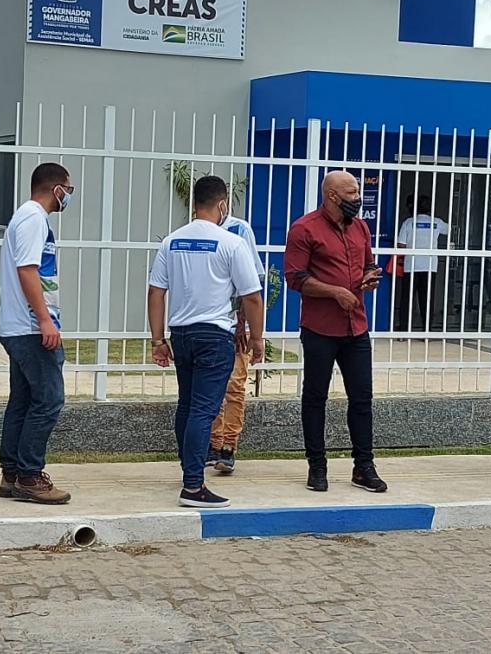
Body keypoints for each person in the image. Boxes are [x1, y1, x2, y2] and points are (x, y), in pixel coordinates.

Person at [148, 175, 264, 508]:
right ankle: (194, 486)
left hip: (181, 334)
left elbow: (156, 292)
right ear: (223, 204)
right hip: (214, 335)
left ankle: (190, 470)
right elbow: (251, 297)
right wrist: (256, 338)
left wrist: (158, 340)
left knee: (187, 405)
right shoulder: (230, 242)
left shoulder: (172, 241)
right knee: (203, 409)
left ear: (194, 203)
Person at [284, 170, 387, 494]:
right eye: (352, 193)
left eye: (357, 192)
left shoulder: (361, 227)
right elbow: (295, 277)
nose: (358, 198)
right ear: (331, 196)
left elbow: (368, 263)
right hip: (320, 328)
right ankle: (317, 466)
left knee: (362, 398)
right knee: (315, 398)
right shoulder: (304, 228)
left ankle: (364, 466)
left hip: (356, 326)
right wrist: (334, 292)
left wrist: (370, 277)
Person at [0, 162, 74, 504]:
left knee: (24, 401)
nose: (68, 197)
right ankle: (29, 475)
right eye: (68, 191)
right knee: (49, 400)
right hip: (30, 327)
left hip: (21, 326)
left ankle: (12, 474)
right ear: (56, 188)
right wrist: (44, 320)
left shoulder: (28, 218)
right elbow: (27, 269)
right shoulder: (32, 218)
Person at [205, 210, 265, 475]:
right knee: (209, 388)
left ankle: (229, 446)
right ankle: (213, 444)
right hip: (208, 323)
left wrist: (243, 323)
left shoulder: (239, 230)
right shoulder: (198, 230)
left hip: (234, 325)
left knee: (234, 386)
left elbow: (253, 280)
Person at [396, 196, 448, 332]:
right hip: (430, 265)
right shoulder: (437, 222)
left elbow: (401, 244)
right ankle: (427, 331)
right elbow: (449, 230)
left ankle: (403, 330)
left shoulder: (409, 222)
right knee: (427, 300)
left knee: (407, 299)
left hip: (411, 265)